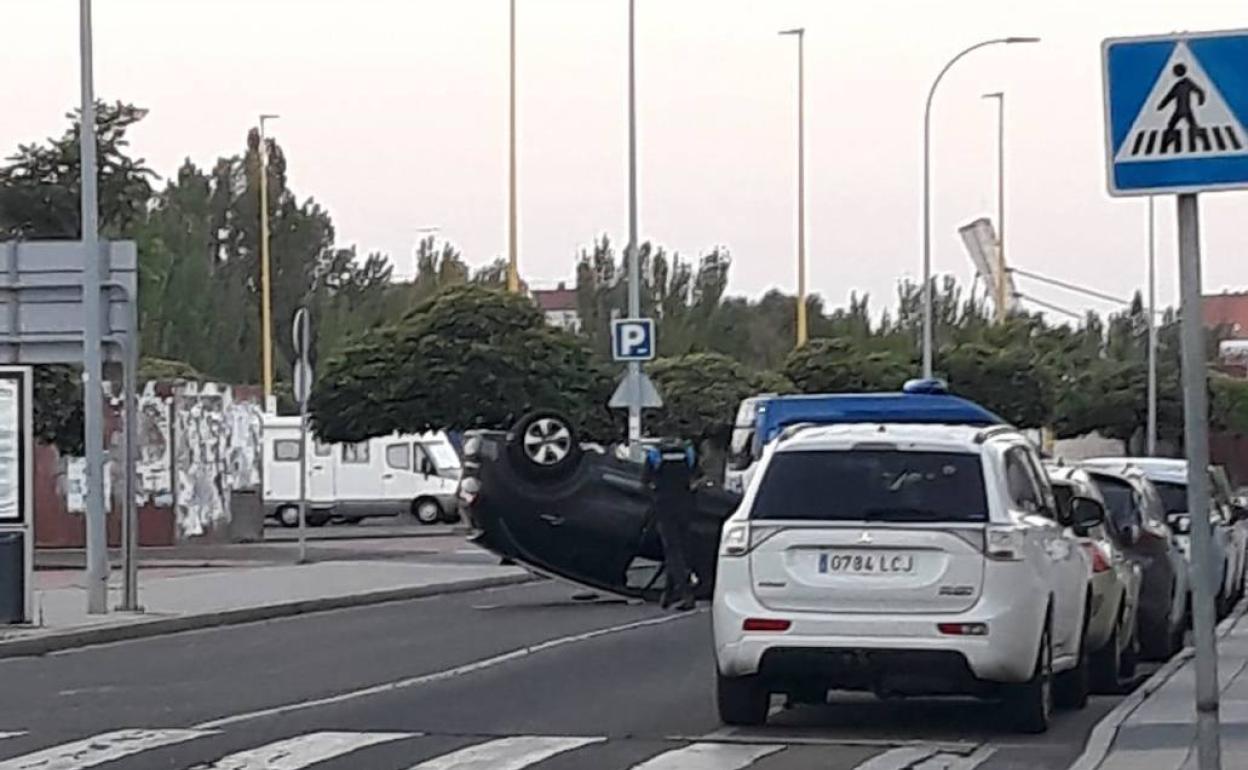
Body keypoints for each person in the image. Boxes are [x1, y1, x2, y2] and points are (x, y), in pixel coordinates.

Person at [644, 439, 697, 611]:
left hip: (665, 507)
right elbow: (696, 476)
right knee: (680, 549)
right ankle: (668, 594)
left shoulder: (655, 454)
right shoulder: (687, 452)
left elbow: (645, 481)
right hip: (686, 505)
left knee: (672, 551)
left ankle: (685, 594)